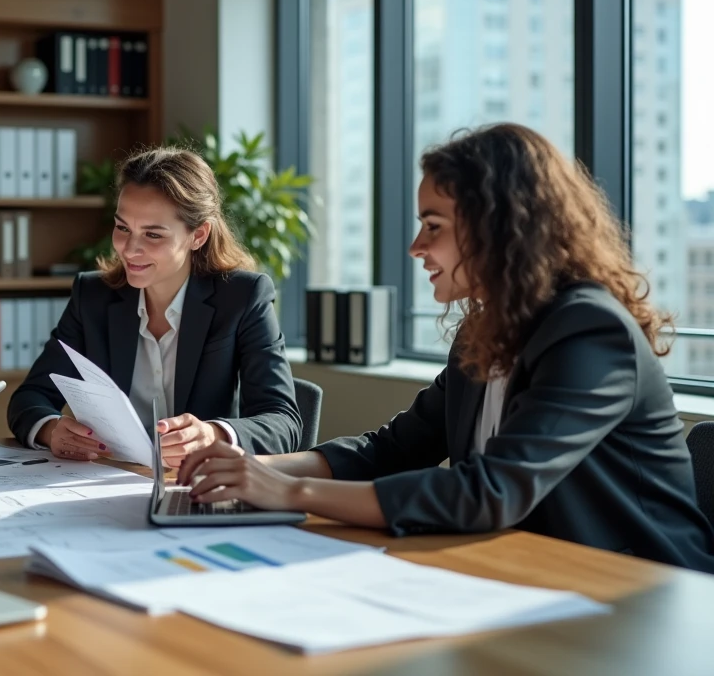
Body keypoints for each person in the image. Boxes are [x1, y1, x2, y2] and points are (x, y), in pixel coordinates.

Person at [179, 123, 714, 573]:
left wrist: (285, 492)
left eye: (432, 226)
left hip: (640, 592)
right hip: (525, 575)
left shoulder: (590, 330)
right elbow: (388, 451)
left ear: (501, 229)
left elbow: (489, 492)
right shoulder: (484, 331)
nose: (415, 247)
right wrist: (252, 466)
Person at [7, 146, 303, 467]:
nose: (131, 249)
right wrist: (51, 429)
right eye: (123, 228)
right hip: (107, 479)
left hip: (194, 486)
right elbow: (30, 397)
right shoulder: (93, 295)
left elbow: (283, 422)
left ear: (198, 235)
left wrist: (213, 434)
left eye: (152, 234)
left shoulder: (243, 297)